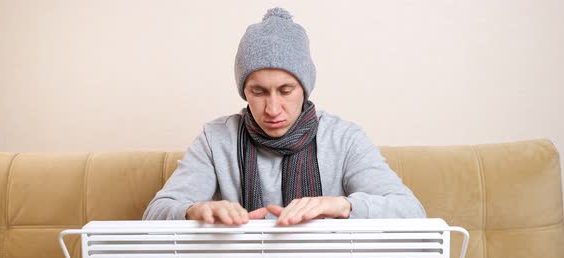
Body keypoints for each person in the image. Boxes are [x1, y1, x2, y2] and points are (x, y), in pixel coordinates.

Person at [143, 7, 426, 226]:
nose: (273, 109)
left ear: (304, 88)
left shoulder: (344, 139)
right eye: (259, 91)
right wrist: (193, 210)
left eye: (286, 90)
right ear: (244, 91)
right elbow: (154, 213)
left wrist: (343, 206)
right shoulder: (216, 139)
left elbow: (412, 212)